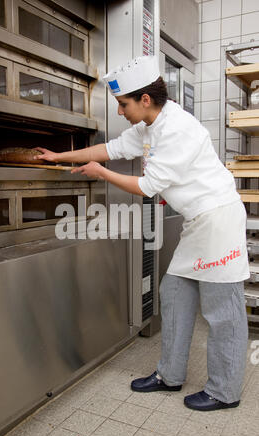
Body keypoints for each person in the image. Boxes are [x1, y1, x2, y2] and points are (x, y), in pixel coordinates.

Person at [35, 55, 250, 412]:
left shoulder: (178, 128)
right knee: (174, 294)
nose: (120, 112)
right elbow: (111, 149)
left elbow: (148, 185)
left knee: (223, 311)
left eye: (123, 105)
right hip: (198, 223)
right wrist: (60, 157)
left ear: (145, 100)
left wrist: (100, 174)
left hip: (219, 222)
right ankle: (169, 375)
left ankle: (224, 391)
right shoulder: (151, 125)